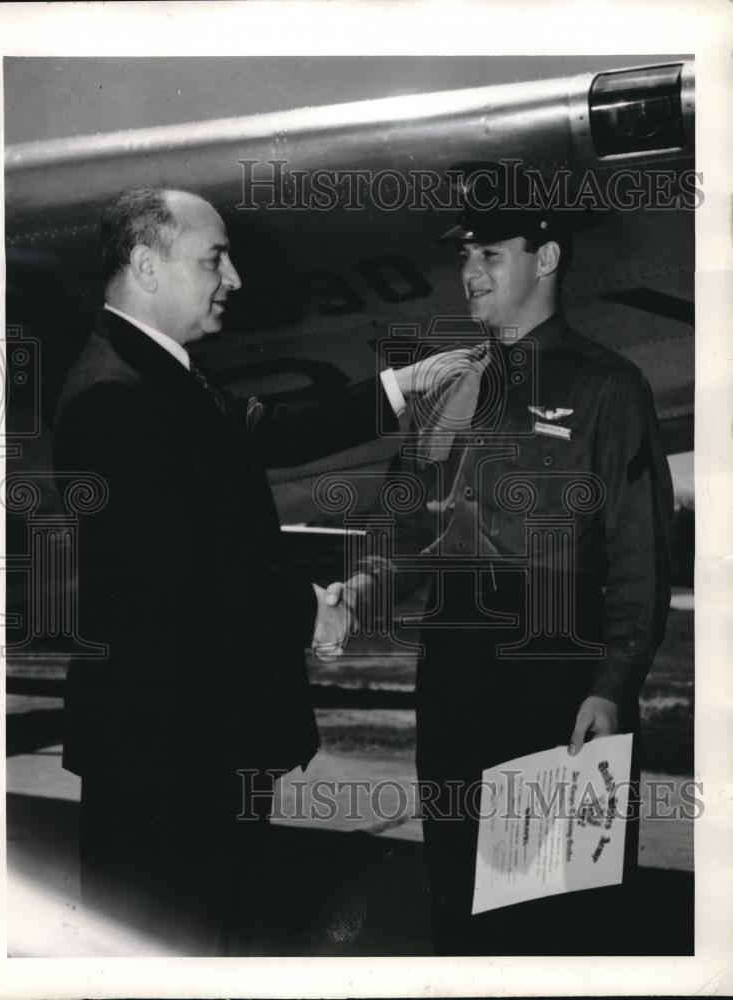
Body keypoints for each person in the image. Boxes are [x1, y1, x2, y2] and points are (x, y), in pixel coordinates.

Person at [52, 186, 467, 953]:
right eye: (214, 259)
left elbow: (264, 429)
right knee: (165, 946)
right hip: (167, 760)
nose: (234, 278)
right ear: (146, 266)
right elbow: (178, 573)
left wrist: (403, 386)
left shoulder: (157, 373)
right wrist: (316, 612)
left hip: (196, 744)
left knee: (209, 938)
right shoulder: (115, 396)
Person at [330, 161, 674, 954]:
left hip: (554, 671)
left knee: (552, 907)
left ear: (546, 258)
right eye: (464, 256)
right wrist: (358, 593)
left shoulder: (609, 388)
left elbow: (638, 556)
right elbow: (406, 536)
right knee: (459, 905)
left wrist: (613, 685)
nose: (469, 272)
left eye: (490, 254)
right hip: (453, 673)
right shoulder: (444, 384)